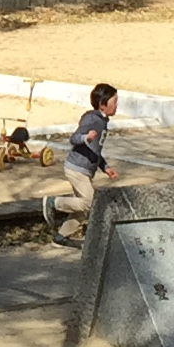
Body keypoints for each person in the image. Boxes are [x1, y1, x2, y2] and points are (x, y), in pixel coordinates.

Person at [58, 83, 123, 235]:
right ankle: (53, 203)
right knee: (90, 203)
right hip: (76, 168)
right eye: (114, 102)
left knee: (81, 208)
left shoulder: (103, 121)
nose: (116, 105)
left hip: (84, 170)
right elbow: (74, 138)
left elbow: (96, 150)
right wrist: (85, 138)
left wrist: (105, 167)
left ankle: (61, 237)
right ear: (102, 105)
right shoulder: (92, 119)